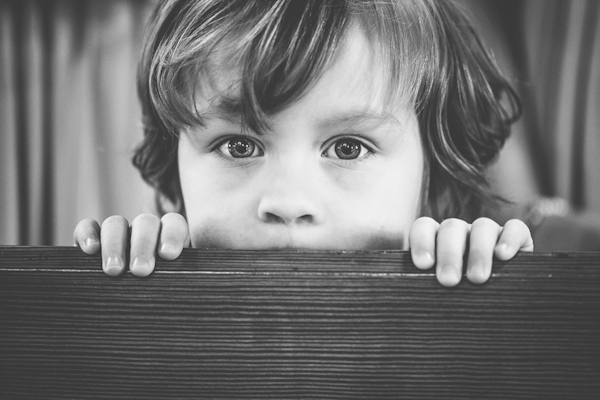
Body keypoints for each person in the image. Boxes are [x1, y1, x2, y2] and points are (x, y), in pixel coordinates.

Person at [73, 0, 533, 287]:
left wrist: (492, 285)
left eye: (348, 147)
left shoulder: (464, 286)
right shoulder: (149, 292)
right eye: (238, 146)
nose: (288, 203)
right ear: (175, 169)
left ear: (434, 168)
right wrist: (134, 285)